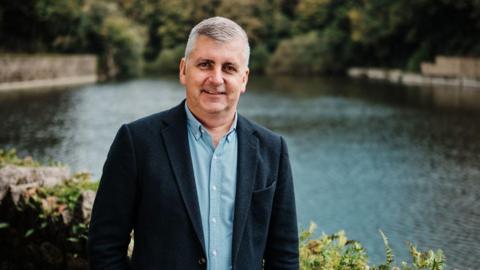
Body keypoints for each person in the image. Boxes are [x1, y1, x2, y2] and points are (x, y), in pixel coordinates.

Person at [88, 16, 299, 270]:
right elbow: (105, 246)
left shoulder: (272, 149)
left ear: (243, 79)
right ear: (183, 70)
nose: (216, 78)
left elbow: (284, 255)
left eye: (229, 68)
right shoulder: (137, 142)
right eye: (205, 64)